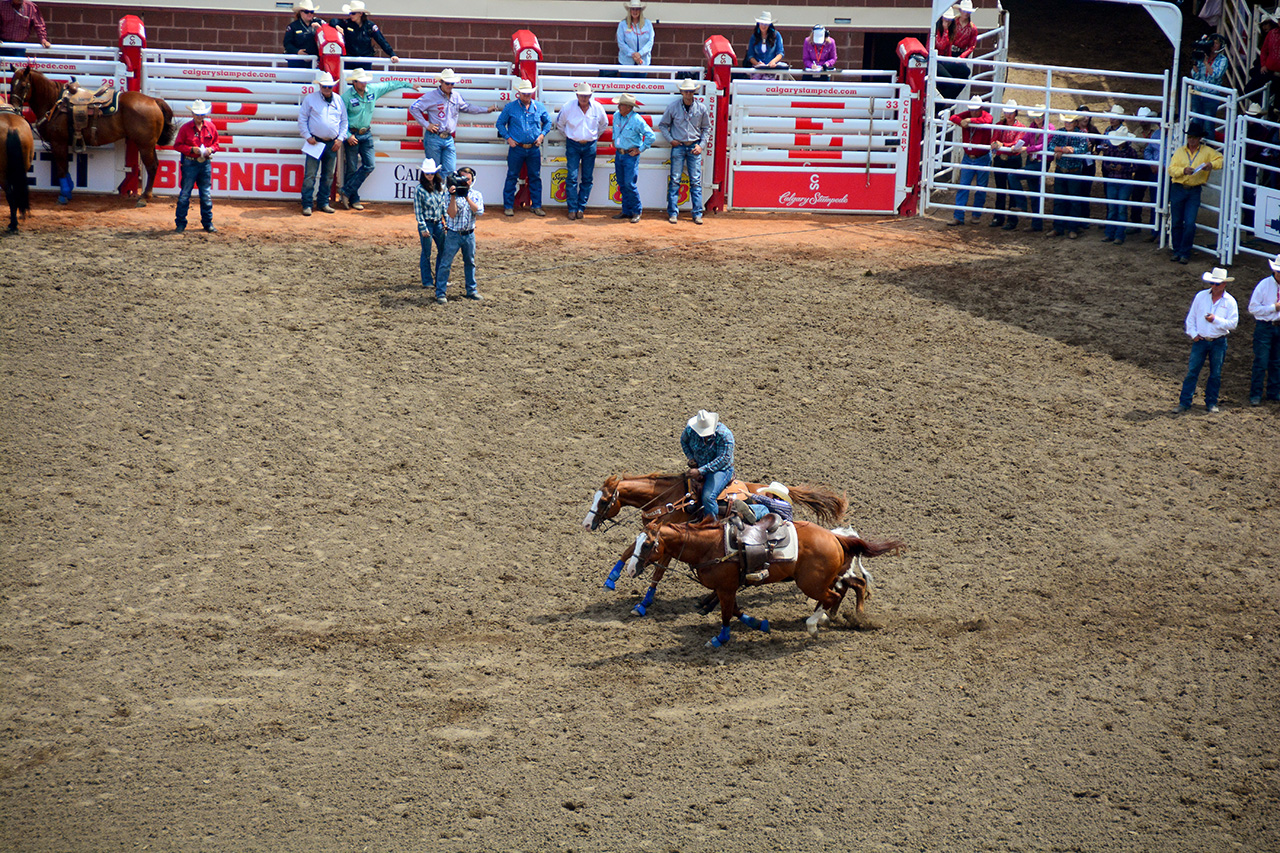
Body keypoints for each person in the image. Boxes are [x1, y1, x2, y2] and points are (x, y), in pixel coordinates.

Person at [339, 67, 419, 211]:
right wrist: (347, 135)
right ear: (355, 82)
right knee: (351, 168)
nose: (364, 84)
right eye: (361, 82)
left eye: (365, 81)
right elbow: (340, 118)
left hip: (366, 132)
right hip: (352, 134)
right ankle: (354, 199)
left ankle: (346, 192)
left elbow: (390, 84)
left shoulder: (372, 90)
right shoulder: (346, 98)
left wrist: (409, 85)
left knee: (369, 165)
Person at [409, 68, 497, 177]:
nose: (450, 86)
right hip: (434, 137)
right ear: (441, 82)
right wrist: (426, 124)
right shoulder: (431, 96)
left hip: (448, 138)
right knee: (433, 171)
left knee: (450, 171)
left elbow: (466, 107)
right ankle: (435, 193)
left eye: (452, 83)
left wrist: (486, 110)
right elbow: (414, 108)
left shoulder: (456, 95)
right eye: (447, 83)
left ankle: (445, 193)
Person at [1178, 267, 1238, 413]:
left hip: (1218, 341)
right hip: (1202, 340)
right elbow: (1191, 318)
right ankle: (1185, 402)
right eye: (1212, 283)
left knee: (1215, 373)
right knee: (1193, 371)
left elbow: (1233, 324)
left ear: (1224, 284)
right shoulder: (1201, 296)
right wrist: (1193, 334)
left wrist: (1215, 320)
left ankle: (1211, 402)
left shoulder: (1230, 302)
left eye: (1216, 284)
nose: (1213, 286)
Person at [1168, 122, 1223, 264]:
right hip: (1179, 187)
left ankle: (1183, 252)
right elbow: (1171, 169)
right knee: (1177, 222)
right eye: (1190, 137)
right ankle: (1178, 251)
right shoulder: (1180, 151)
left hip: (1192, 190)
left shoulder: (1206, 151)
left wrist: (1211, 165)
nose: (1191, 140)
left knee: (1189, 223)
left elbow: (1220, 160)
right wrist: (1183, 171)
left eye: (1194, 137)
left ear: (1199, 138)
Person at [495, 77, 551, 217]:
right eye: (524, 93)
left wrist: (542, 135)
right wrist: (508, 138)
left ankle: (536, 205)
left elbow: (548, 122)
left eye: (528, 93)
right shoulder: (510, 107)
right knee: (512, 176)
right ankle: (508, 205)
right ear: (519, 93)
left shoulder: (539, 107)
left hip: (533, 147)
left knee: (534, 177)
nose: (526, 96)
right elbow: (500, 124)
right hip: (517, 147)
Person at [657, 77, 709, 225]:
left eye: (690, 91)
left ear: (693, 92)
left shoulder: (701, 108)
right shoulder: (673, 107)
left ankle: (696, 213)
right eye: (686, 91)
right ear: (682, 92)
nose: (688, 94)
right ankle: (674, 212)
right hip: (679, 145)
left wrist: (701, 145)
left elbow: (706, 128)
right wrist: (671, 140)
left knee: (695, 181)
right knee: (675, 180)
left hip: (693, 146)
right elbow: (663, 125)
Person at [555, 81, 609, 220]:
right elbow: (559, 124)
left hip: (589, 144)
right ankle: (573, 208)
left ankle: (580, 207)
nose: (584, 98)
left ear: (590, 95)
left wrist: (593, 136)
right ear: (577, 95)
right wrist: (570, 136)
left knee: (587, 177)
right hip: (574, 144)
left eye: (586, 96)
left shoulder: (597, 107)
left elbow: (604, 124)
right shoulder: (568, 107)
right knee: (572, 176)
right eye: (581, 95)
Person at [297, 71, 348, 216]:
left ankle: (323, 202)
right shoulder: (310, 99)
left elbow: (344, 121)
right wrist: (307, 136)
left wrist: (340, 139)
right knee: (310, 175)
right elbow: (302, 119)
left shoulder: (338, 100)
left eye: (329, 86)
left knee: (328, 175)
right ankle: (307, 203)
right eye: (325, 86)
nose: (327, 89)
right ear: (320, 85)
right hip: (315, 142)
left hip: (332, 143)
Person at [434, 165, 484, 305]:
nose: (465, 182)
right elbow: (452, 213)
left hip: (469, 234)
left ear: (472, 180)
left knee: (470, 262)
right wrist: (453, 197)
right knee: (445, 263)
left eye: (468, 179)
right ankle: (441, 292)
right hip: (453, 234)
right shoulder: (449, 194)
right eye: (463, 179)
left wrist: (467, 197)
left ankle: (471, 290)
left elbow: (478, 211)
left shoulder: (476, 195)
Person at [173, 99, 220, 234]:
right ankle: (181, 223)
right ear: (193, 114)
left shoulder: (210, 127)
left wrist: (211, 149)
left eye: (202, 114)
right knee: (186, 193)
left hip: (203, 162)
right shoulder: (186, 128)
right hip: (190, 162)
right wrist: (191, 150)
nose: (200, 117)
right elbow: (177, 145)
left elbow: (217, 143)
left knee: (205, 194)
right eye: (198, 115)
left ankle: (207, 223)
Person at [680, 409, 735, 521]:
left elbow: (723, 459)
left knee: (708, 497)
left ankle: (712, 526)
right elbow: (683, 442)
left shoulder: (725, 436)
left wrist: (700, 471)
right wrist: (691, 458)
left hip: (721, 470)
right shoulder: (690, 431)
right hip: (699, 466)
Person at [946, 96, 992, 226]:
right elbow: (953, 117)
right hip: (969, 156)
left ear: (981, 108)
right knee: (963, 187)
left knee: (980, 188)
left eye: (975, 110)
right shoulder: (969, 115)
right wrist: (962, 121)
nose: (973, 112)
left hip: (981, 157)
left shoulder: (984, 116)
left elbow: (987, 120)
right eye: (971, 110)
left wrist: (969, 120)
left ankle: (975, 214)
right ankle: (959, 216)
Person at [611, 92, 654, 223]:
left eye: (622, 104)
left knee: (629, 184)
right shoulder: (616, 116)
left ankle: (636, 210)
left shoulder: (637, 119)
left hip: (629, 155)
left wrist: (640, 149)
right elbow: (615, 131)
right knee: (623, 184)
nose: (619, 106)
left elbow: (651, 136)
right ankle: (627, 210)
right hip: (621, 153)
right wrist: (615, 140)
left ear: (629, 107)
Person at [1048, 110, 1088, 239]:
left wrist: (1066, 150)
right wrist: (1062, 149)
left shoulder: (1081, 134)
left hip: (1073, 171)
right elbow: (1050, 146)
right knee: (1059, 200)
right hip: (1062, 170)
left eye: (1070, 121)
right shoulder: (1061, 132)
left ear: (1076, 122)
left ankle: (1072, 228)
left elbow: (1083, 149)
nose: (1067, 123)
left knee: (1073, 201)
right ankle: (1059, 227)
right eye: (1066, 121)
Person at [1246, 255, 1280, 406]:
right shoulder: (1264, 285)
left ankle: (1273, 392)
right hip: (1265, 327)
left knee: (1277, 362)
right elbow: (1253, 309)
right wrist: (1274, 308)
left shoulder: (1266, 285)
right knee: (1261, 361)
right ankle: (1256, 394)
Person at [1097, 125, 1139, 245]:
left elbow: (1135, 167)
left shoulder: (1130, 151)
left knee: (1120, 209)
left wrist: (1123, 168)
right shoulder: (1114, 150)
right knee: (1114, 209)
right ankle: (1112, 234)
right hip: (1116, 181)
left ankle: (1116, 234)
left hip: (1121, 182)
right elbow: (1105, 164)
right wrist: (1111, 167)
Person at [988, 99, 1026, 231]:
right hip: (1003, 159)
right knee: (1001, 189)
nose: (1008, 115)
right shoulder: (1001, 125)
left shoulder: (1020, 128)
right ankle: (999, 217)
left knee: (1011, 189)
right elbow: (994, 140)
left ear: (1015, 113)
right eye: (1006, 112)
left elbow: (1017, 143)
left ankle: (1010, 219)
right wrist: (996, 144)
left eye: (1010, 112)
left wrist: (1001, 145)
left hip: (1011, 159)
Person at [329, 0, 398, 71]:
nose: (350, 15)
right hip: (350, 60)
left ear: (360, 14)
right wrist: (337, 26)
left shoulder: (369, 26)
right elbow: (333, 21)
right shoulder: (346, 23)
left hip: (365, 61)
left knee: (363, 80)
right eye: (350, 13)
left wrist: (392, 54)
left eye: (353, 13)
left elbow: (381, 40)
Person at [412, 158, 448, 293]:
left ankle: (440, 278)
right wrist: (422, 227)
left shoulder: (441, 187)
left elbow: (443, 205)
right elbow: (418, 211)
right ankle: (427, 280)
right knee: (427, 253)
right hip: (427, 223)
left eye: (431, 173)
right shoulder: (419, 190)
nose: (430, 176)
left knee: (442, 251)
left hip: (438, 223)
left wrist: (446, 221)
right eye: (427, 174)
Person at [1020, 104, 1052, 232]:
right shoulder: (1033, 127)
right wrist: (1018, 145)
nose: (1037, 119)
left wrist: (1026, 148)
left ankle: (1021, 204)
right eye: (1035, 117)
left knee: (1014, 176)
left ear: (1044, 116)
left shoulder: (1049, 128)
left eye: (1039, 116)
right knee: (1035, 191)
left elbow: (1043, 146)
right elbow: (1025, 139)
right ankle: (1036, 223)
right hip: (1033, 160)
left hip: (1040, 161)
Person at [1129, 105, 1160, 235]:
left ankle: (1154, 226)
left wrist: (1143, 149)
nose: (1142, 121)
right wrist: (1146, 148)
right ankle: (1137, 223)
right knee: (1137, 195)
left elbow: (1138, 147)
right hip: (1144, 165)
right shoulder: (1143, 131)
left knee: (1155, 196)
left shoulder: (1156, 130)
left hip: (1151, 165)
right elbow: (1135, 148)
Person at [1188, 34, 1227, 126]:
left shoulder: (1223, 60)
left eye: (1216, 43)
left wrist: (1206, 63)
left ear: (1221, 46)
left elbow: (1216, 76)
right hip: (1197, 93)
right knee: (1196, 122)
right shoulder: (1202, 55)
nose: (1214, 45)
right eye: (1212, 42)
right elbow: (1195, 75)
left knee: (1208, 124)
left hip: (1211, 95)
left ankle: (1208, 140)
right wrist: (1195, 62)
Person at [744, 11, 787, 78]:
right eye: (762, 23)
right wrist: (757, 63)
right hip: (757, 70)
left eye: (766, 24)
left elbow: (780, 53)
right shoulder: (754, 37)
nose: (763, 26)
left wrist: (772, 62)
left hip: (771, 70)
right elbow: (750, 55)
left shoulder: (776, 35)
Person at [282, 0, 320, 69]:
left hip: (314, 61)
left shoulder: (318, 23)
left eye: (311, 12)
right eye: (306, 12)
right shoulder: (293, 26)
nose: (309, 14)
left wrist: (320, 29)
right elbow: (287, 44)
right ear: (300, 13)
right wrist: (297, 51)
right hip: (297, 61)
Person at [616, 0, 654, 69]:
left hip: (643, 61)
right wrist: (633, 54)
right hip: (626, 62)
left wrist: (640, 54)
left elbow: (650, 41)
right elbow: (621, 43)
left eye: (637, 9)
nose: (635, 11)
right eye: (633, 9)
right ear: (629, 11)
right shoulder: (623, 24)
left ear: (640, 11)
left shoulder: (648, 24)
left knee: (641, 80)